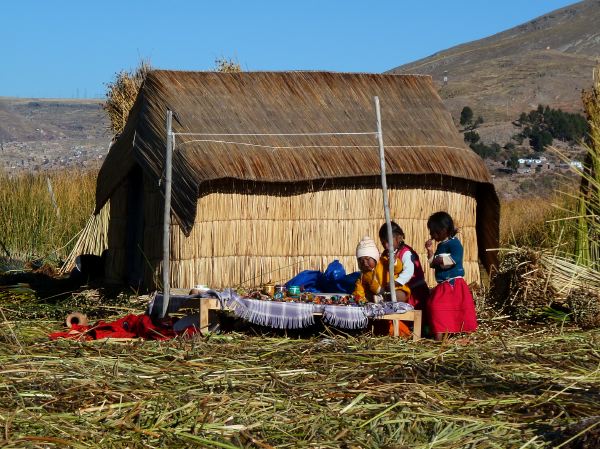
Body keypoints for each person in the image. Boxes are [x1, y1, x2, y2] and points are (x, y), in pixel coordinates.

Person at [425, 211, 478, 340]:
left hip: (453, 284)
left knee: (455, 309)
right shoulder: (441, 246)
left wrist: (439, 260)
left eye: (434, 232)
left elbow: (454, 259)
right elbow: (432, 264)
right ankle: (440, 334)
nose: (432, 235)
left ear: (444, 230)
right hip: (443, 285)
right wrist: (430, 251)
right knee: (435, 307)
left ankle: (464, 335)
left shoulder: (454, 243)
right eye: (431, 232)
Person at [352, 236, 411, 337]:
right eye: (361, 261)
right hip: (377, 298)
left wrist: (394, 261)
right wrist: (358, 297)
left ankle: (382, 300)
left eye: (367, 259)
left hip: (394, 292)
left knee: (397, 295)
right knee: (367, 297)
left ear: (375, 257)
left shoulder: (384, 262)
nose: (364, 263)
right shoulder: (363, 276)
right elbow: (359, 289)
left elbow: (397, 268)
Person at [378, 221, 429, 310]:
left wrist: (395, 283)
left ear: (399, 238)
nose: (386, 245)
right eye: (383, 243)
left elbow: (409, 272)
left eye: (388, 242)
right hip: (399, 289)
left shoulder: (406, 252)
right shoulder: (387, 254)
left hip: (415, 292)